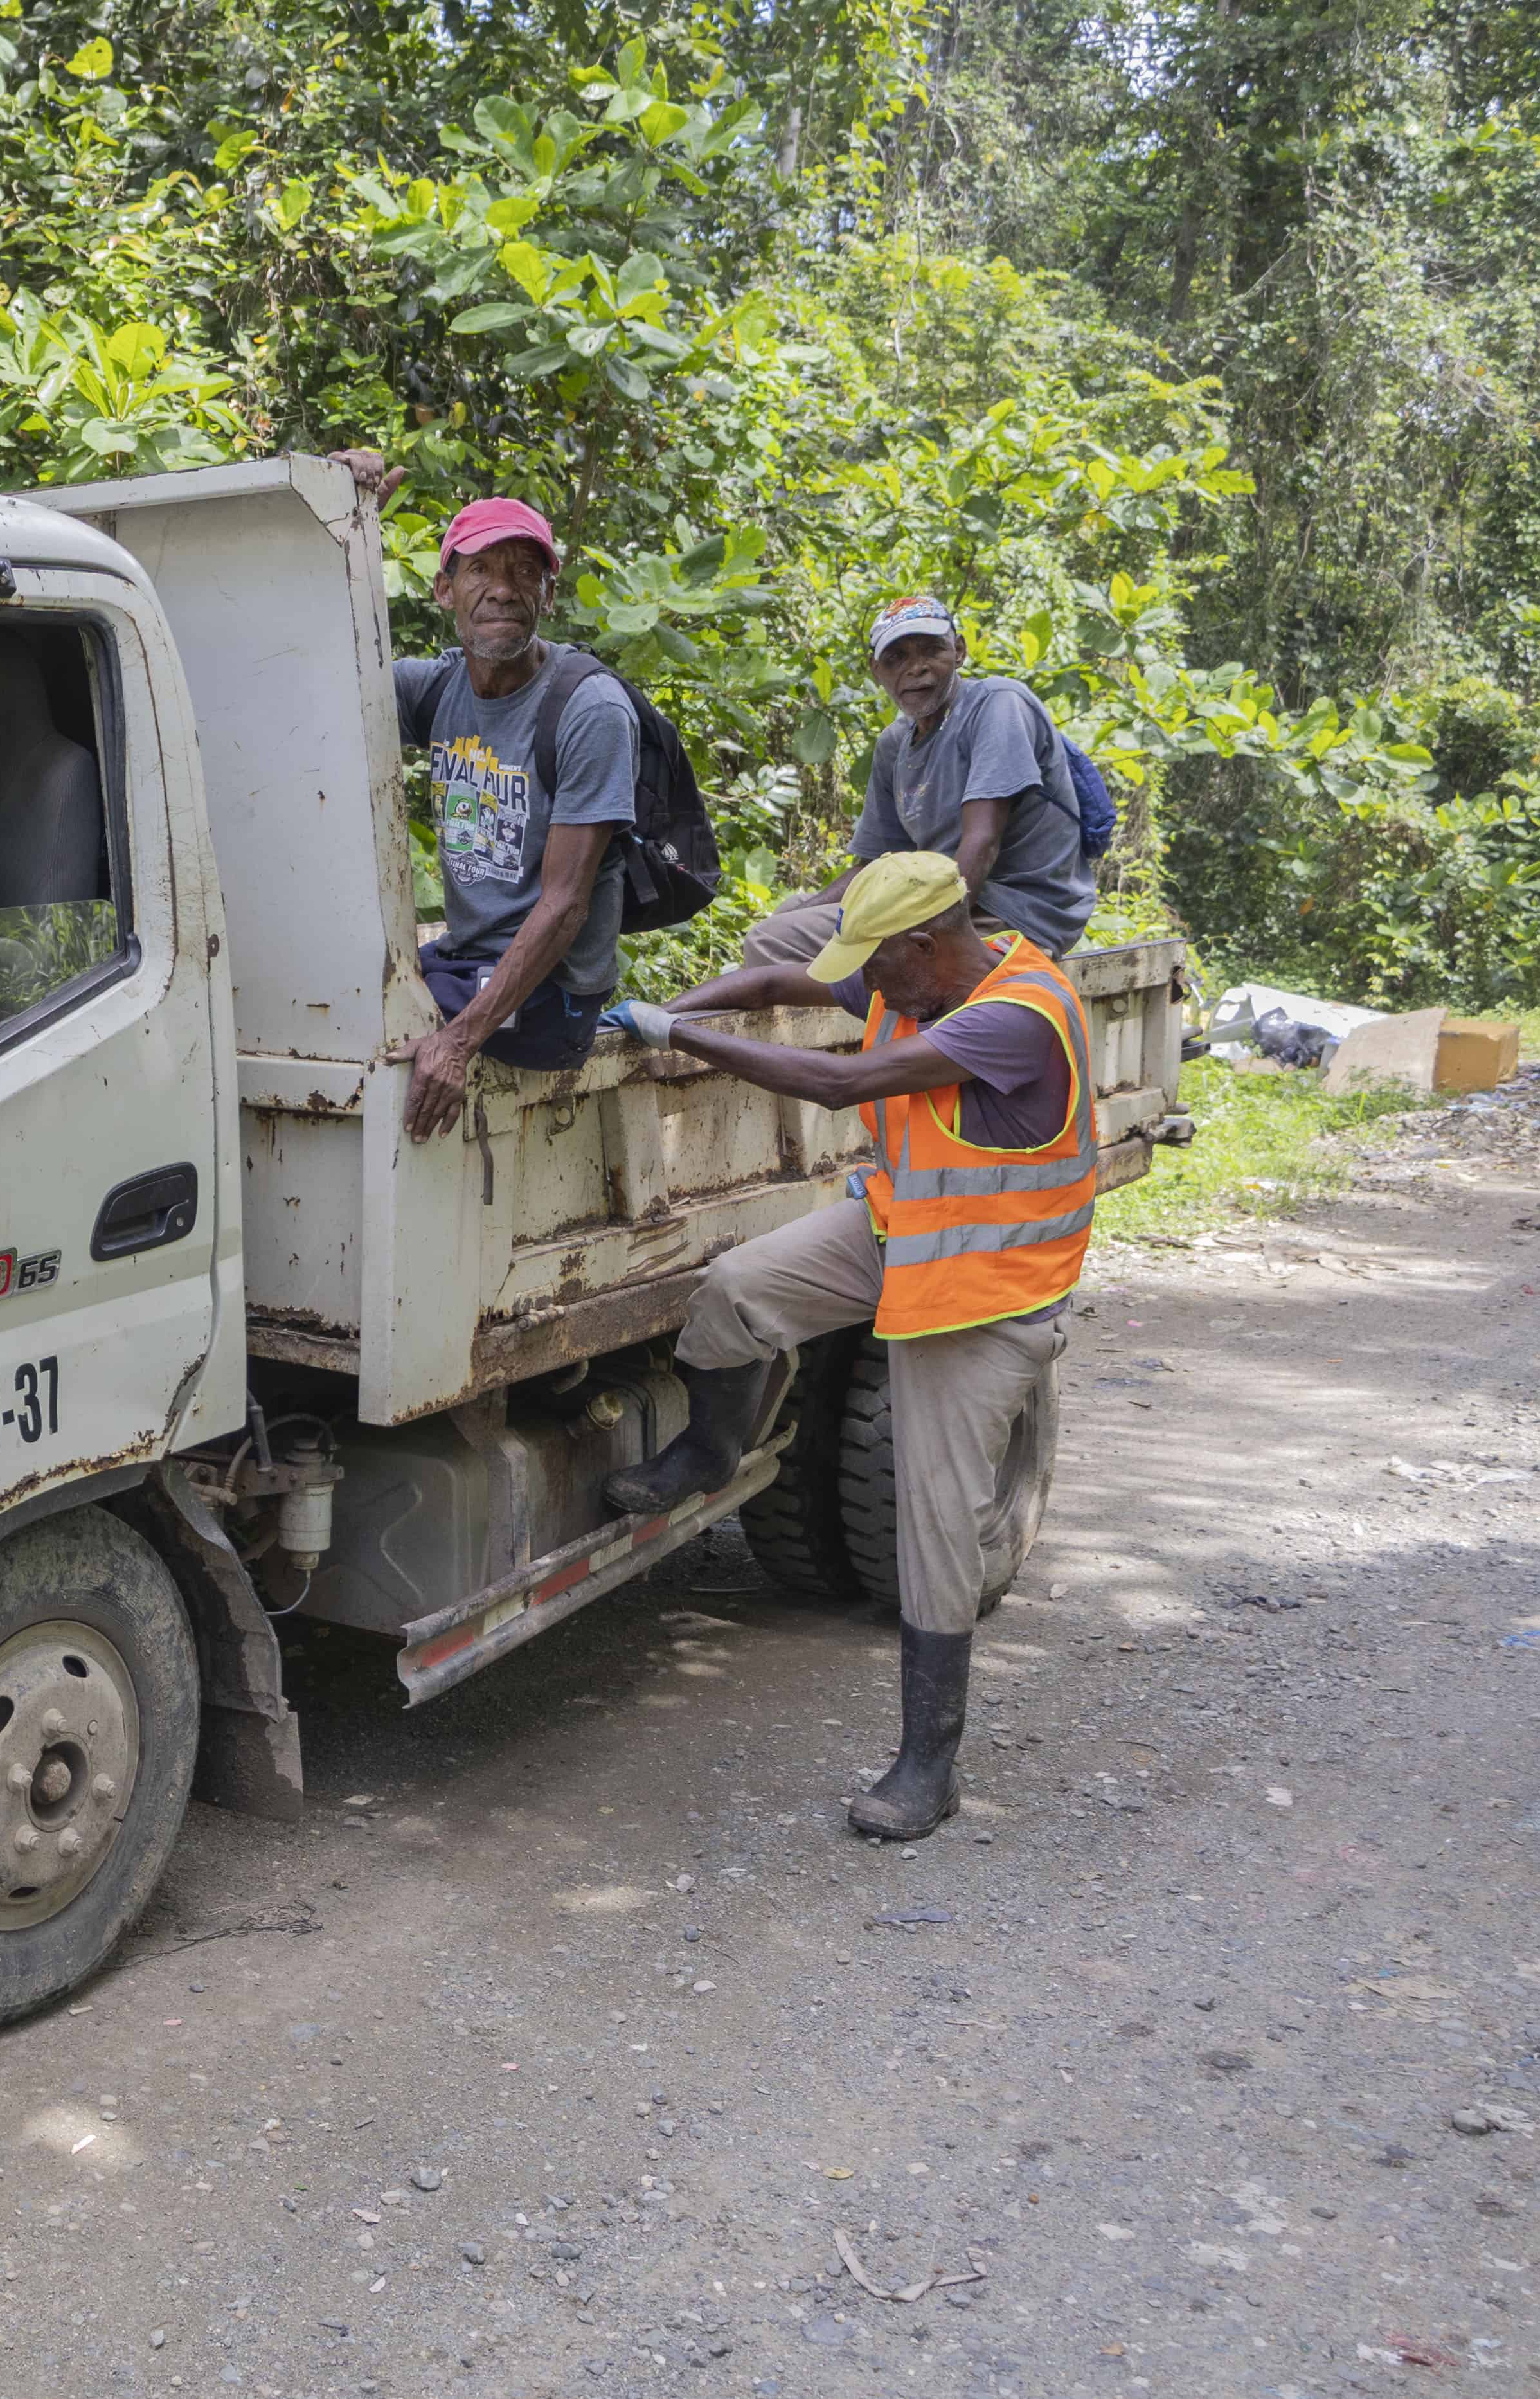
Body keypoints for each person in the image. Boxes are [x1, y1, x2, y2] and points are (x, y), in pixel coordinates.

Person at [600, 852, 1092, 1840]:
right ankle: (709, 1448)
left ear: (926, 942)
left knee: (935, 1523)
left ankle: (927, 1765)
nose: (861, 983)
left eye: (875, 965)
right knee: (735, 1292)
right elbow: (782, 980)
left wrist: (677, 1035)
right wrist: (664, 1009)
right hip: (897, 1234)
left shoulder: (1013, 1013)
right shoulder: (907, 978)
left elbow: (840, 1085)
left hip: (981, 1295)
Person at [384, 495, 634, 1142]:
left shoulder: (588, 709)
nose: (502, 590)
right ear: (444, 590)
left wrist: (459, 1041)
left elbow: (565, 906)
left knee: (374, 1041)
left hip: (549, 998)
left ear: (548, 595)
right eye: (479, 571)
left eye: (524, 572)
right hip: (466, 961)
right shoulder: (436, 688)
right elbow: (313, 671)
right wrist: (344, 525)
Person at [740, 595, 1095, 970]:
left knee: (771, 943)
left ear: (958, 651)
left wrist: (924, 937)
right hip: (943, 901)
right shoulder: (895, 744)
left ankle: (887, 1015)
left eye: (931, 650)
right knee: (787, 917)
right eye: (897, 658)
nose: (916, 669)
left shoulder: (997, 704)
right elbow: (875, 866)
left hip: (1013, 909)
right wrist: (816, 910)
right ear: (876, 670)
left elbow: (983, 842)